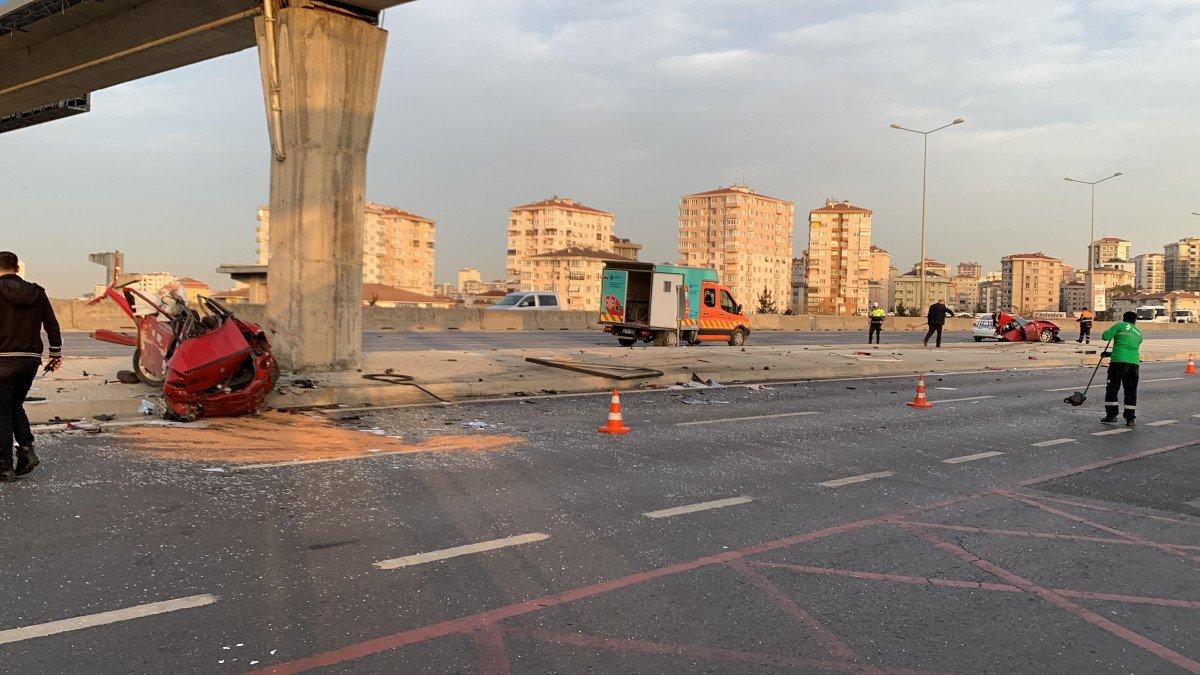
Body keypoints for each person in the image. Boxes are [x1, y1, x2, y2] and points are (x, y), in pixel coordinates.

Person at [0, 252, 62, 481]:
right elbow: (51, 324)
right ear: (17, 268)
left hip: (3, 359)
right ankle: (26, 450)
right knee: (14, 405)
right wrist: (55, 352)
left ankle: (4, 466)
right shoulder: (37, 292)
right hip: (30, 359)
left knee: (2, 412)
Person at [1100, 311, 1142, 427]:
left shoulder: (1120, 325)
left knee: (1113, 388)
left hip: (1118, 362)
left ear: (1124, 318)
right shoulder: (1138, 333)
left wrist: (1110, 333)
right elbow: (1128, 348)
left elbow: (1105, 337)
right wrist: (1109, 354)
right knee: (1131, 391)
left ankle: (1111, 416)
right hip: (1134, 363)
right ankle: (1130, 419)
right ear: (1135, 321)